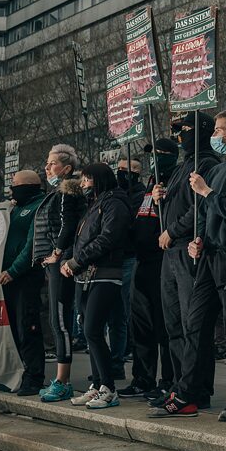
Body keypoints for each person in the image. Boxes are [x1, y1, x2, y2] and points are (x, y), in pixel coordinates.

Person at [150, 110, 226, 419]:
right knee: (195, 325)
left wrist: (207, 192)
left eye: (218, 130)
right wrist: (199, 238)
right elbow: (205, 214)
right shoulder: (218, 169)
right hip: (208, 257)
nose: (214, 135)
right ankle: (186, 393)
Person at [150, 113, 221, 409]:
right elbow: (179, 203)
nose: (180, 135)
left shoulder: (207, 164)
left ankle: (196, 389)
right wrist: (160, 198)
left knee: (194, 325)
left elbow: (200, 208)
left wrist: (172, 230)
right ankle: (180, 385)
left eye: (186, 129)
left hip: (187, 249)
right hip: (171, 252)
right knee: (174, 325)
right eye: (178, 130)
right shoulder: (183, 166)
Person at [62, 163, 132, 410]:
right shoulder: (94, 204)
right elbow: (80, 238)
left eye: (87, 179)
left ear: (99, 179)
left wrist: (77, 261)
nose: (83, 184)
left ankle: (109, 389)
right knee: (88, 329)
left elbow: (108, 237)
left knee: (93, 329)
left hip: (105, 273)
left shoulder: (114, 203)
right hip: (86, 275)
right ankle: (98, 384)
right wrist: (70, 261)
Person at [120, 140, 177, 400]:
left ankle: (168, 380)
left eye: (159, 153)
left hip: (161, 263)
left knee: (163, 327)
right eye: (151, 154)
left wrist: (160, 201)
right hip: (141, 262)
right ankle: (142, 378)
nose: (154, 157)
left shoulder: (174, 180)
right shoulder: (148, 185)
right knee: (140, 327)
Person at [34, 145, 86, 402]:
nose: (47, 168)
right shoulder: (57, 192)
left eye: (52, 163)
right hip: (56, 262)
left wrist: (56, 252)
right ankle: (60, 379)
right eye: (46, 163)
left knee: (60, 322)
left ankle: (63, 381)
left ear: (66, 168)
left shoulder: (67, 191)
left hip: (62, 262)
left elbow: (68, 225)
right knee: (58, 320)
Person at [0, 171, 47, 395]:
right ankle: (17, 371)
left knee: (27, 326)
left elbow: (31, 245)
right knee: (12, 329)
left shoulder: (38, 207)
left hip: (25, 277)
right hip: (7, 277)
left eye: (15, 185)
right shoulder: (14, 208)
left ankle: (34, 377)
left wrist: (14, 270)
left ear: (28, 186)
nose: (11, 189)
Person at [109, 157, 144, 381]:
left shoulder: (139, 194)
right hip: (116, 257)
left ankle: (125, 352)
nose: (121, 172)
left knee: (125, 309)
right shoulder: (116, 193)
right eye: (119, 169)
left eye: (126, 169)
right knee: (115, 313)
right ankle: (117, 358)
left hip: (130, 256)